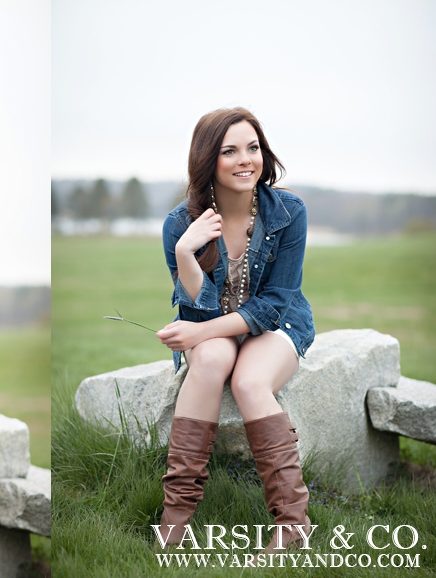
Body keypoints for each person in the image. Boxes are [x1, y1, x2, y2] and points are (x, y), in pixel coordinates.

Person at [154, 107, 315, 556]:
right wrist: (187, 254)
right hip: (213, 328)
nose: (246, 160)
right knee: (209, 360)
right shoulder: (179, 225)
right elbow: (198, 310)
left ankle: (293, 524)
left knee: (248, 380)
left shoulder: (289, 212)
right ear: (208, 160)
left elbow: (273, 304)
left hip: (277, 324)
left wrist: (199, 334)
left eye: (253, 147)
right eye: (230, 151)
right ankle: (175, 521)